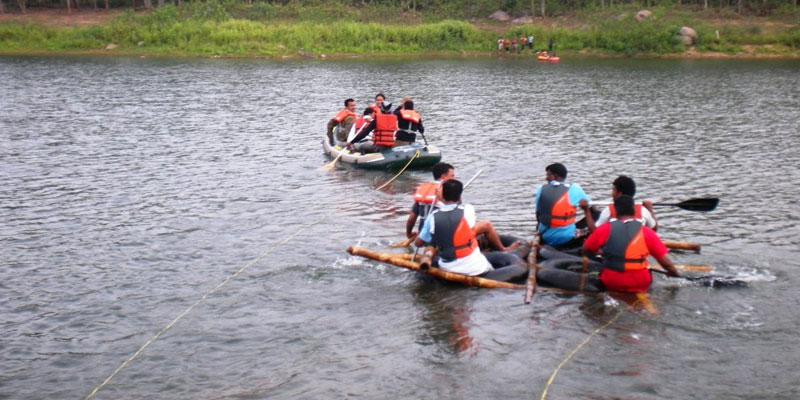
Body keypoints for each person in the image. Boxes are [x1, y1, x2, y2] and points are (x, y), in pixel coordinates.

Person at [535, 195, 679, 293]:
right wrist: (674, 275)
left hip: (612, 281)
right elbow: (667, 264)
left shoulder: (605, 229)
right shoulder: (646, 232)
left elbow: (586, 250)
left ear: (615, 211)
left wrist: (602, 253)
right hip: (641, 282)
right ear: (634, 211)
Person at [415, 179, 527, 282]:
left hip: (447, 268)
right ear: (459, 197)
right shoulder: (468, 210)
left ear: (441, 196)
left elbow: (418, 243)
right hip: (475, 268)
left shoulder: (432, 217)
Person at [534, 163, 595, 247]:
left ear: (555, 176)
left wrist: (539, 231)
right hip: (567, 237)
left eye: (548, 175)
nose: (546, 178)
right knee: (595, 213)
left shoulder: (540, 189)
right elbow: (590, 205)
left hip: (546, 236)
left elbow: (538, 214)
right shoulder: (574, 188)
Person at [406, 162, 454, 239]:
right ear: (443, 177)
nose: (454, 178)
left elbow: (411, 219)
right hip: (440, 237)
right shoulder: (447, 192)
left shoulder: (424, 192)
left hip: (422, 236)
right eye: (452, 176)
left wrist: (409, 234)